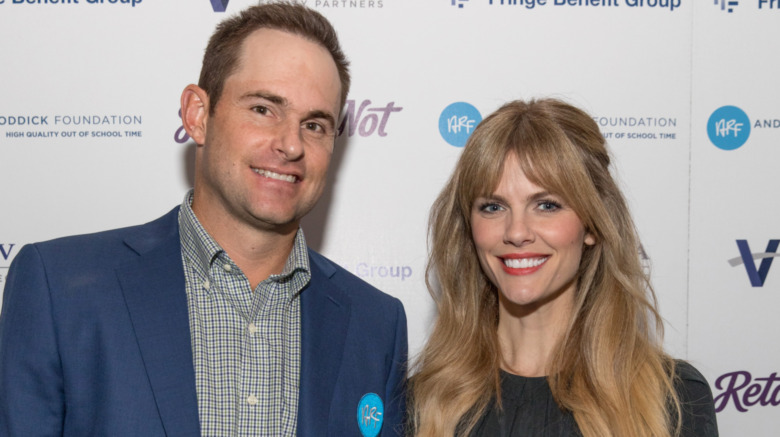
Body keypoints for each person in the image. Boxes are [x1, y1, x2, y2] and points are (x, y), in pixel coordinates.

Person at [0, 3, 407, 436]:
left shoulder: (375, 325)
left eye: (314, 124)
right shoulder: (60, 289)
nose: (290, 144)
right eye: (263, 109)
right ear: (197, 115)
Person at [408, 99, 718, 436]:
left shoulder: (672, 400)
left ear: (592, 225)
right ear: (470, 228)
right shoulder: (423, 403)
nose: (516, 232)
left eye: (546, 205)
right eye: (493, 206)